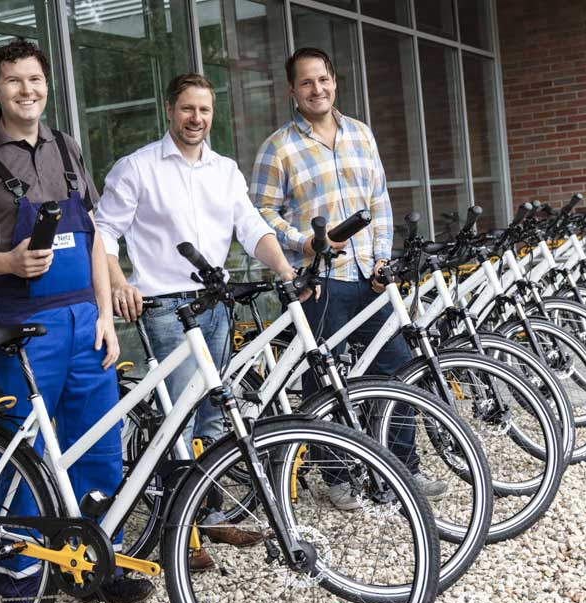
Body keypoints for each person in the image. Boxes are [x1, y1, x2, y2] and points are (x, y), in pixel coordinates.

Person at [0, 39, 153, 603]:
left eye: (35, 79)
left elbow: (95, 238)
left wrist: (106, 316)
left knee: (101, 447)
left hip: (86, 323)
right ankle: (20, 587)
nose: (27, 90)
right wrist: (5, 263)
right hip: (21, 330)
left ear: (46, 84)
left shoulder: (66, 148)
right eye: (13, 81)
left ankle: (94, 563)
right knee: (21, 456)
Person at [94, 73, 301, 570]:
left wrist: (287, 270)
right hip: (164, 308)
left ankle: (207, 515)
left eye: (204, 110)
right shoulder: (138, 167)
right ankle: (178, 533)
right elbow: (103, 232)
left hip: (216, 303)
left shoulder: (224, 169)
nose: (196, 119)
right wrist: (121, 283)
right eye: (187, 109)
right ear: (170, 110)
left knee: (214, 412)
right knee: (176, 421)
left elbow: (251, 228)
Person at [250, 47, 448, 507]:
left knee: (397, 370)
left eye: (322, 80)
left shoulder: (360, 134)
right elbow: (259, 215)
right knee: (323, 379)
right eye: (306, 83)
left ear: (334, 81)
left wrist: (382, 258)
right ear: (291, 91)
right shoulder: (278, 147)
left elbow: (379, 201)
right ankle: (338, 477)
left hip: (371, 277)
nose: (316, 89)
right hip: (320, 280)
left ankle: (403, 471)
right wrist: (304, 242)